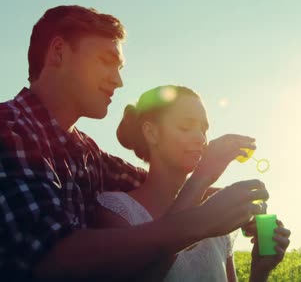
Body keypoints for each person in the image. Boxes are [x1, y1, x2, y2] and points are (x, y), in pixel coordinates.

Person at [0, 5, 270, 281]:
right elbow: (52, 260)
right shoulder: (9, 127)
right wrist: (203, 218)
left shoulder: (86, 152)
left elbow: (150, 182)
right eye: (106, 61)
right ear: (59, 52)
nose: (117, 81)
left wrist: (223, 198)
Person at [96, 85, 290, 281]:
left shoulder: (215, 217)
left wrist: (259, 271)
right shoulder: (116, 211)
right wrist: (202, 176)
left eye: (204, 130)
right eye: (186, 127)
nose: (200, 138)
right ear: (151, 133)